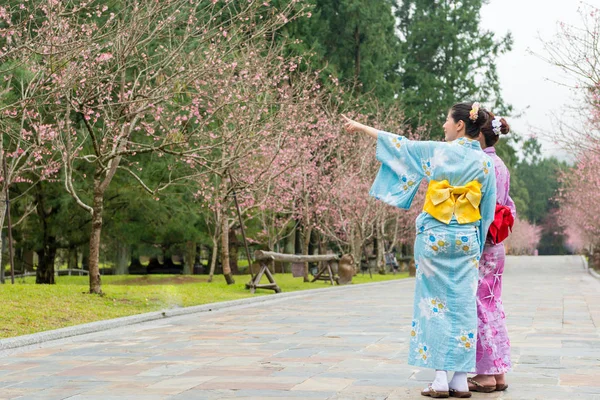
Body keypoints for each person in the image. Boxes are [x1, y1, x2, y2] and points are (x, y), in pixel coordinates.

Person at [343, 102, 497, 399]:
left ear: (461, 125)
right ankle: (461, 380)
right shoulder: (485, 163)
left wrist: (363, 128)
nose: (444, 126)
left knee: (434, 304)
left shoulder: (437, 151)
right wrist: (475, 246)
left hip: (434, 237)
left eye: (447, 121)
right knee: (464, 306)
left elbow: (400, 145)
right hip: (466, 238)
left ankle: (440, 379)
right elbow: (486, 212)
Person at [468, 113, 515, 393]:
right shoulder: (500, 164)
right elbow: (508, 205)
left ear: (479, 134)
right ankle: (499, 372)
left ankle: (485, 373)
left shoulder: (481, 163)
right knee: (492, 304)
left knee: (478, 304)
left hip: (483, 241)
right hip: (497, 243)